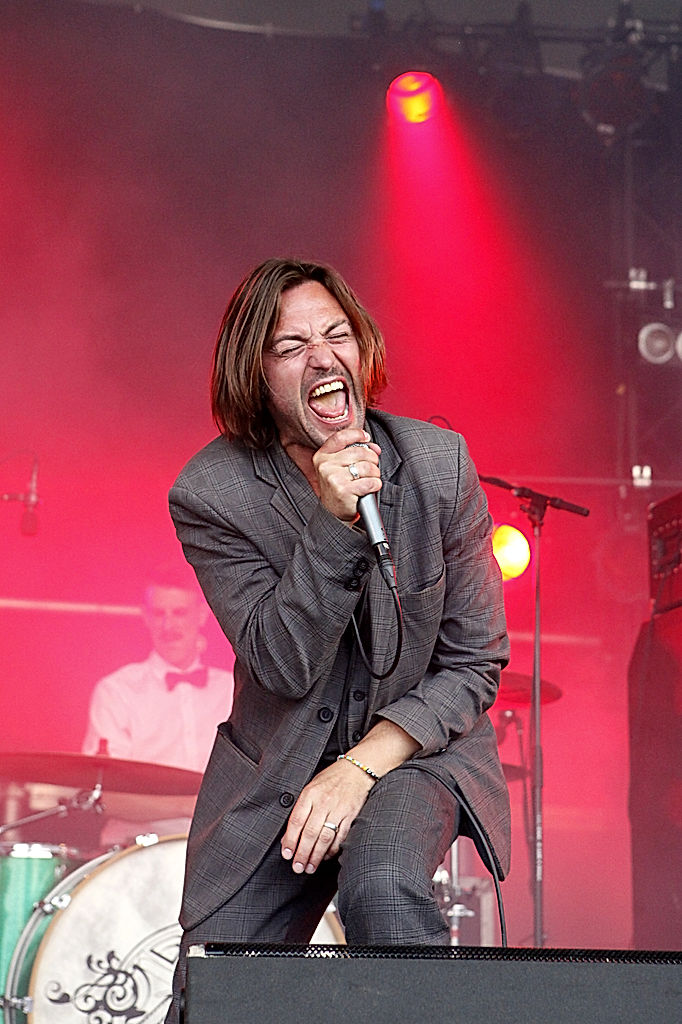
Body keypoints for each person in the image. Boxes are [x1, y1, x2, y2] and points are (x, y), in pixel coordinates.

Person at [164, 258, 510, 1021]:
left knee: (383, 887)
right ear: (255, 375)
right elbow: (283, 663)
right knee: (214, 981)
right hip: (275, 774)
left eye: (336, 336)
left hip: (415, 755)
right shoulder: (210, 495)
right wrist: (332, 523)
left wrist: (359, 768)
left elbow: (473, 661)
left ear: (362, 353)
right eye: (291, 347)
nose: (322, 357)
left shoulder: (438, 468)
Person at [82, 564, 234, 841]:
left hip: (215, 851)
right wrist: (191, 807)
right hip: (132, 851)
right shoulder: (117, 690)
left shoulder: (234, 689)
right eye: (159, 613)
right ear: (146, 617)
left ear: (202, 615)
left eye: (179, 613)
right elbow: (106, 797)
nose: (168, 625)